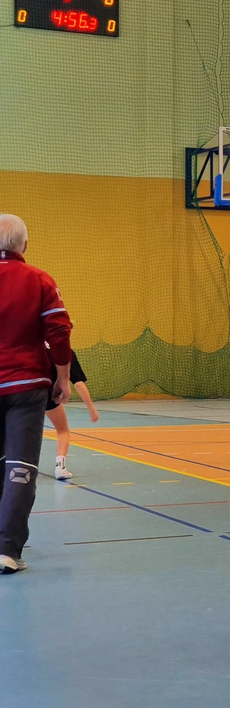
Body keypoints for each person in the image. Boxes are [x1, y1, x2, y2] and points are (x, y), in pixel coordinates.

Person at [0, 214, 72, 574]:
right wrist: (63, 378)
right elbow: (58, 331)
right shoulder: (39, 279)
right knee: (20, 467)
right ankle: (6, 549)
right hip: (26, 386)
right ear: (24, 245)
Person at [46, 349, 100, 480]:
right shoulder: (65, 352)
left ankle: (14, 465)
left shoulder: (32, 346)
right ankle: (60, 467)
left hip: (26, 394)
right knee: (63, 431)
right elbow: (78, 383)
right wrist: (91, 409)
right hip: (49, 396)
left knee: (18, 431)